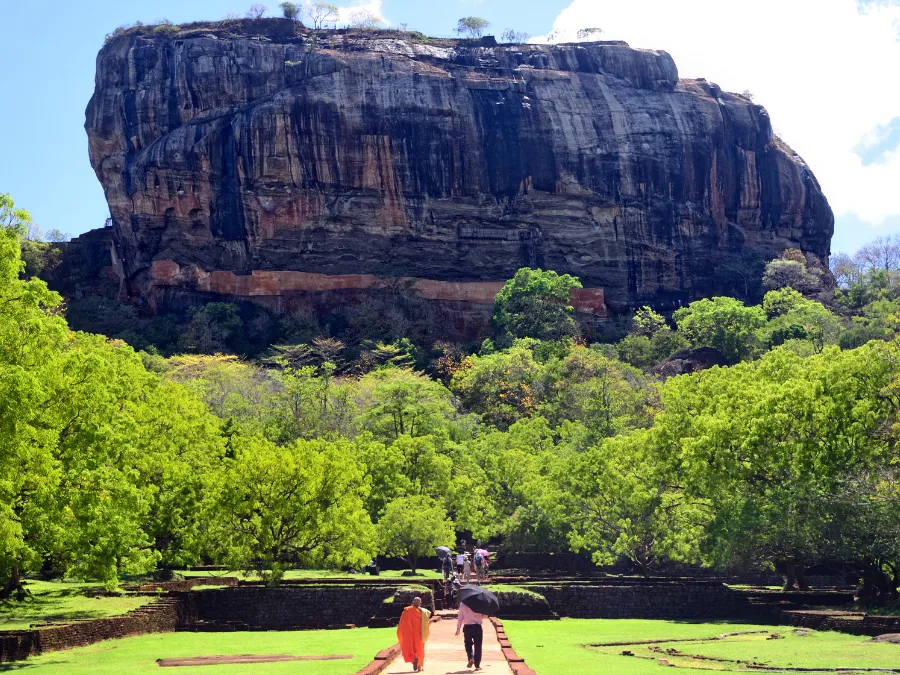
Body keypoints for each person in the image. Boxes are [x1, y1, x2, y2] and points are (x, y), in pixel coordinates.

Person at [397, 596, 431, 672]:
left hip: (410, 634)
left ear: (413, 602)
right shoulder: (423, 612)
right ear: (420, 603)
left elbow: (402, 624)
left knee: (410, 647)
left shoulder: (407, 611)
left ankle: (413, 659)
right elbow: (426, 623)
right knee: (420, 649)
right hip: (419, 634)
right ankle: (419, 666)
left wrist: (403, 632)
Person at [456, 600, 486, 670]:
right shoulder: (479, 603)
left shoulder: (462, 604)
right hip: (477, 627)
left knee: (468, 643)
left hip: (467, 627)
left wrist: (458, 628)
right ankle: (477, 665)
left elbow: (460, 616)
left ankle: (470, 656)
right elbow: (484, 616)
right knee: (478, 646)